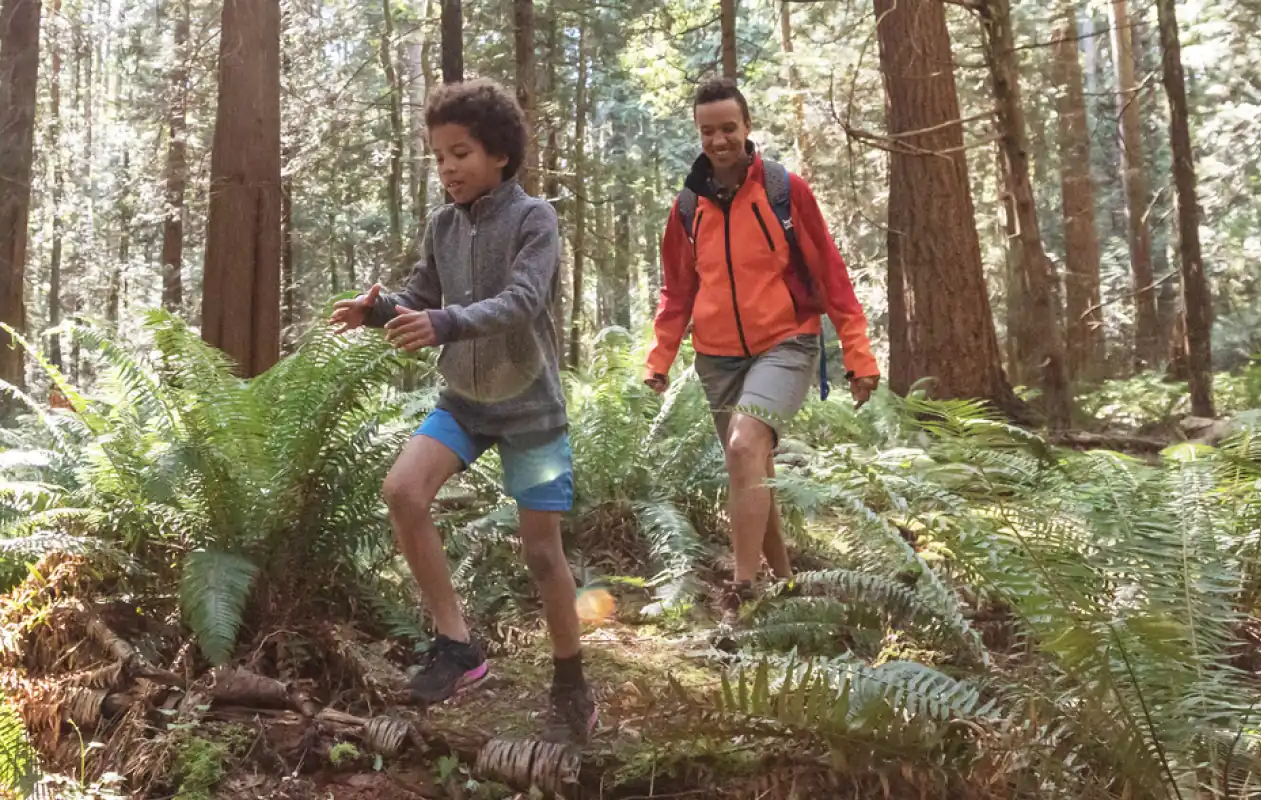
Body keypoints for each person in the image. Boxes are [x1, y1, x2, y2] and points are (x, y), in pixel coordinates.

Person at [330, 79, 592, 743]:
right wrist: (379, 311)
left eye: (461, 153)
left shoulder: (535, 218)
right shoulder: (442, 225)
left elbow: (522, 301)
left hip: (530, 410)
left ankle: (570, 682)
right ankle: (458, 646)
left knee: (540, 553)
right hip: (465, 403)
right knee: (402, 491)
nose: (447, 168)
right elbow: (425, 292)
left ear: (499, 153)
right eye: (439, 157)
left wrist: (440, 322)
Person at [644, 77, 883, 628]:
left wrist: (858, 354)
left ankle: (742, 592)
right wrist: (660, 357)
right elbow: (677, 290)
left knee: (744, 442)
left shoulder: (783, 190)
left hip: (787, 341)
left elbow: (831, 276)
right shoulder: (687, 207)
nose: (719, 140)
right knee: (753, 464)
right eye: (708, 131)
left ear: (747, 127)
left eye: (728, 127)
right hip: (717, 355)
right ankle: (786, 587)